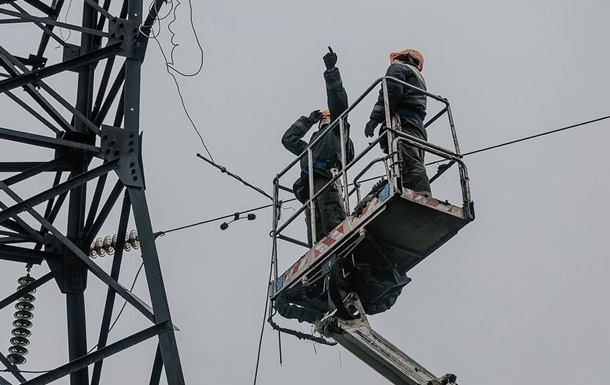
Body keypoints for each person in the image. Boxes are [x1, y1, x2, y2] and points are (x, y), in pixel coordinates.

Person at [282, 47, 354, 246]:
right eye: (322, 118)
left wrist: (331, 72)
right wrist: (308, 120)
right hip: (309, 184)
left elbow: (339, 103)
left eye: (326, 116)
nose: (324, 119)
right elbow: (288, 140)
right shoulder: (311, 145)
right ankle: (321, 259)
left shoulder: (337, 130)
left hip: (326, 177)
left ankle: (342, 247)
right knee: (314, 229)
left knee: (331, 216)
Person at [364, 49, 432, 197]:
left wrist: (375, 118)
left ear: (402, 57)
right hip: (416, 124)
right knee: (412, 160)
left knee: (407, 161)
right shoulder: (418, 77)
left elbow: (391, 91)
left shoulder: (398, 68)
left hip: (402, 122)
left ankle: (420, 196)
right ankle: (418, 192)